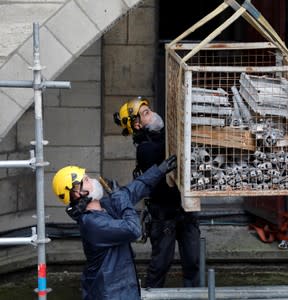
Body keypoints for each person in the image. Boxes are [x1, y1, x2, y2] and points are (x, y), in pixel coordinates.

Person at [52, 155, 177, 300]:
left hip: (121, 288)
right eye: (85, 180)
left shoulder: (102, 206)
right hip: (110, 293)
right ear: (76, 193)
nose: (92, 180)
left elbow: (132, 191)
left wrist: (159, 170)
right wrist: (119, 196)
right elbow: (133, 229)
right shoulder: (92, 224)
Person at [114, 97, 200, 288]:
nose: (152, 114)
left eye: (149, 110)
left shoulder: (166, 134)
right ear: (137, 125)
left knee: (193, 262)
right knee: (160, 265)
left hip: (186, 210)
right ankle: (152, 293)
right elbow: (168, 150)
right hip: (164, 215)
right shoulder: (145, 149)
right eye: (145, 114)